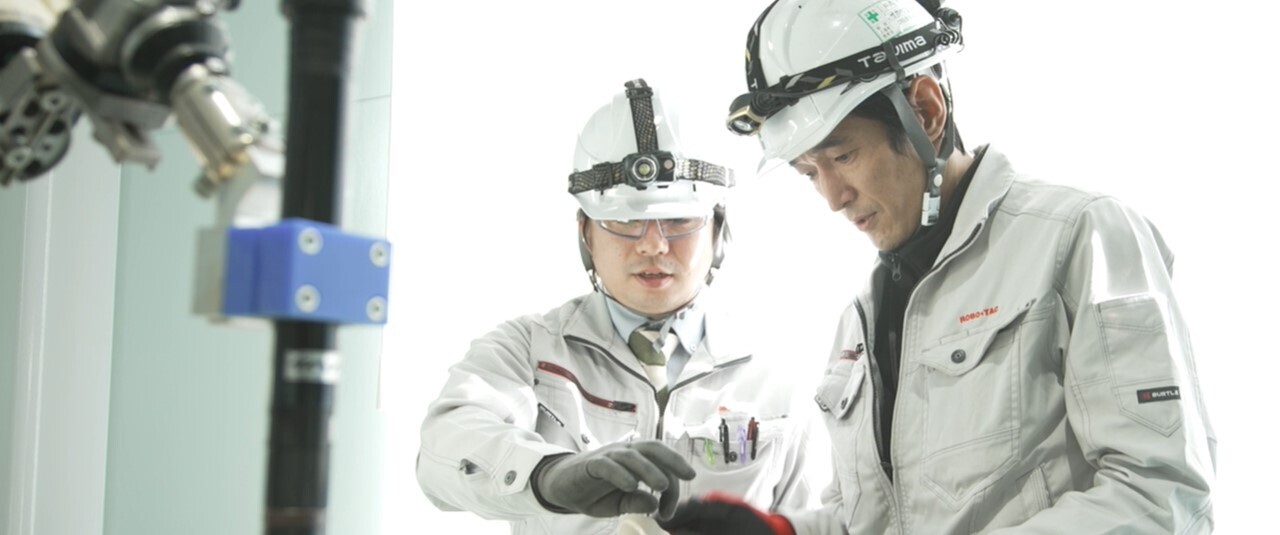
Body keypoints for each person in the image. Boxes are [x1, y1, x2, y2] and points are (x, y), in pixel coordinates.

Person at [661, 1, 1217, 534]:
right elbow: (871, 519)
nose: (832, 197)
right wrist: (779, 531)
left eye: (843, 156)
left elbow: (1162, 499)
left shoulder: (1081, 236)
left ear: (926, 112)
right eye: (809, 172)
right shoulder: (862, 321)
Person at [416, 78, 811, 534]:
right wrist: (548, 474)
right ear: (585, 233)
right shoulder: (528, 350)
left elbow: (817, 520)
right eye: (625, 220)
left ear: (718, 231)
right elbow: (441, 453)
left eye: (678, 219)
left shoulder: (774, 375)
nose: (653, 245)